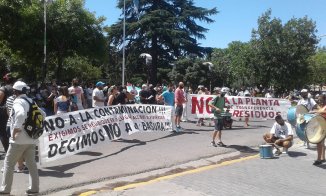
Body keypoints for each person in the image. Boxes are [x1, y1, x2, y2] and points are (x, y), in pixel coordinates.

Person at [0, 81, 43, 194]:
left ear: (15, 91)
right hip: (32, 138)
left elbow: (20, 114)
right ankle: (34, 189)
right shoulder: (31, 100)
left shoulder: (18, 101)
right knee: (31, 164)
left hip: (19, 140)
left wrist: (16, 129)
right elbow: (43, 114)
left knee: (8, 164)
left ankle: (5, 190)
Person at [311, 94, 326, 165]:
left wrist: (317, 111)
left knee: (320, 143)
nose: (319, 101)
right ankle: (320, 159)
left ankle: (322, 158)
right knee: (319, 142)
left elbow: (323, 112)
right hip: (321, 127)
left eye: (321, 100)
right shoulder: (321, 107)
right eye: (319, 100)